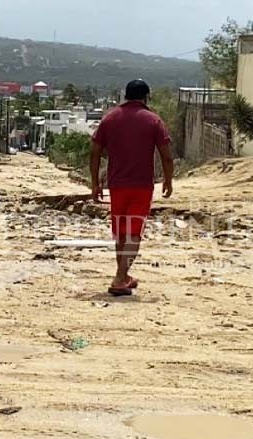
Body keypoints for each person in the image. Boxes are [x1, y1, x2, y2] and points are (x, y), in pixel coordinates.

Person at [90, 79, 174, 296]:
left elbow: (95, 151)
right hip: (141, 186)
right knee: (134, 233)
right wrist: (168, 180)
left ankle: (124, 275)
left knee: (121, 232)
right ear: (145, 96)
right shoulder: (153, 120)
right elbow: (166, 156)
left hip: (116, 185)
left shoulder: (110, 118)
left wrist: (95, 183)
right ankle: (119, 278)